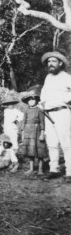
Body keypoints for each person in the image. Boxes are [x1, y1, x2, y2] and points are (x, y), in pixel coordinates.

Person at [38, 51, 71, 181]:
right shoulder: (48, 78)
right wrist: (42, 103)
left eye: (54, 61)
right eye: (49, 62)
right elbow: (43, 94)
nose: (50, 64)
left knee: (66, 144)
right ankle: (54, 169)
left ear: (60, 63)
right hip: (48, 113)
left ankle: (69, 172)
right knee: (51, 143)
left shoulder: (66, 77)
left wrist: (64, 100)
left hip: (62, 112)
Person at [20, 89, 46, 176]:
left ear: (37, 101)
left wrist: (42, 134)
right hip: (28, 132)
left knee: (39, 151)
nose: (31, 101)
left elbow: (42, 122)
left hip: (37, 131)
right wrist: (23, 133)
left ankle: (40, 169)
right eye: (29, 100)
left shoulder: (39, 110)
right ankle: (31, 168)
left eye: (33, 99)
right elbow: (23, 121)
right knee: (31, 151)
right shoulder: (26, 110)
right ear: (27, 102)